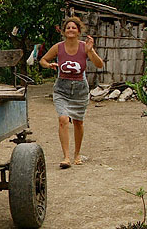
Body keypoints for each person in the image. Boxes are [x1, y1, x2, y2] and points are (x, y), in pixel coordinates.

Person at [39, 16, 104, 168]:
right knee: (63, 119)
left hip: (80, 88)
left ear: (79, 31)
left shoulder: (84, 47)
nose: (71, 30)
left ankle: (77, 154)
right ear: (63, 31)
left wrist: (90, 51)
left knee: (78, 122)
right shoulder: (58, 47)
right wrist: (50, 65)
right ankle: (66, 157)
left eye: (74, 27)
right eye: (68, 27)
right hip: (62, 87)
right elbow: (43, 60)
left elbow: (99, 64)